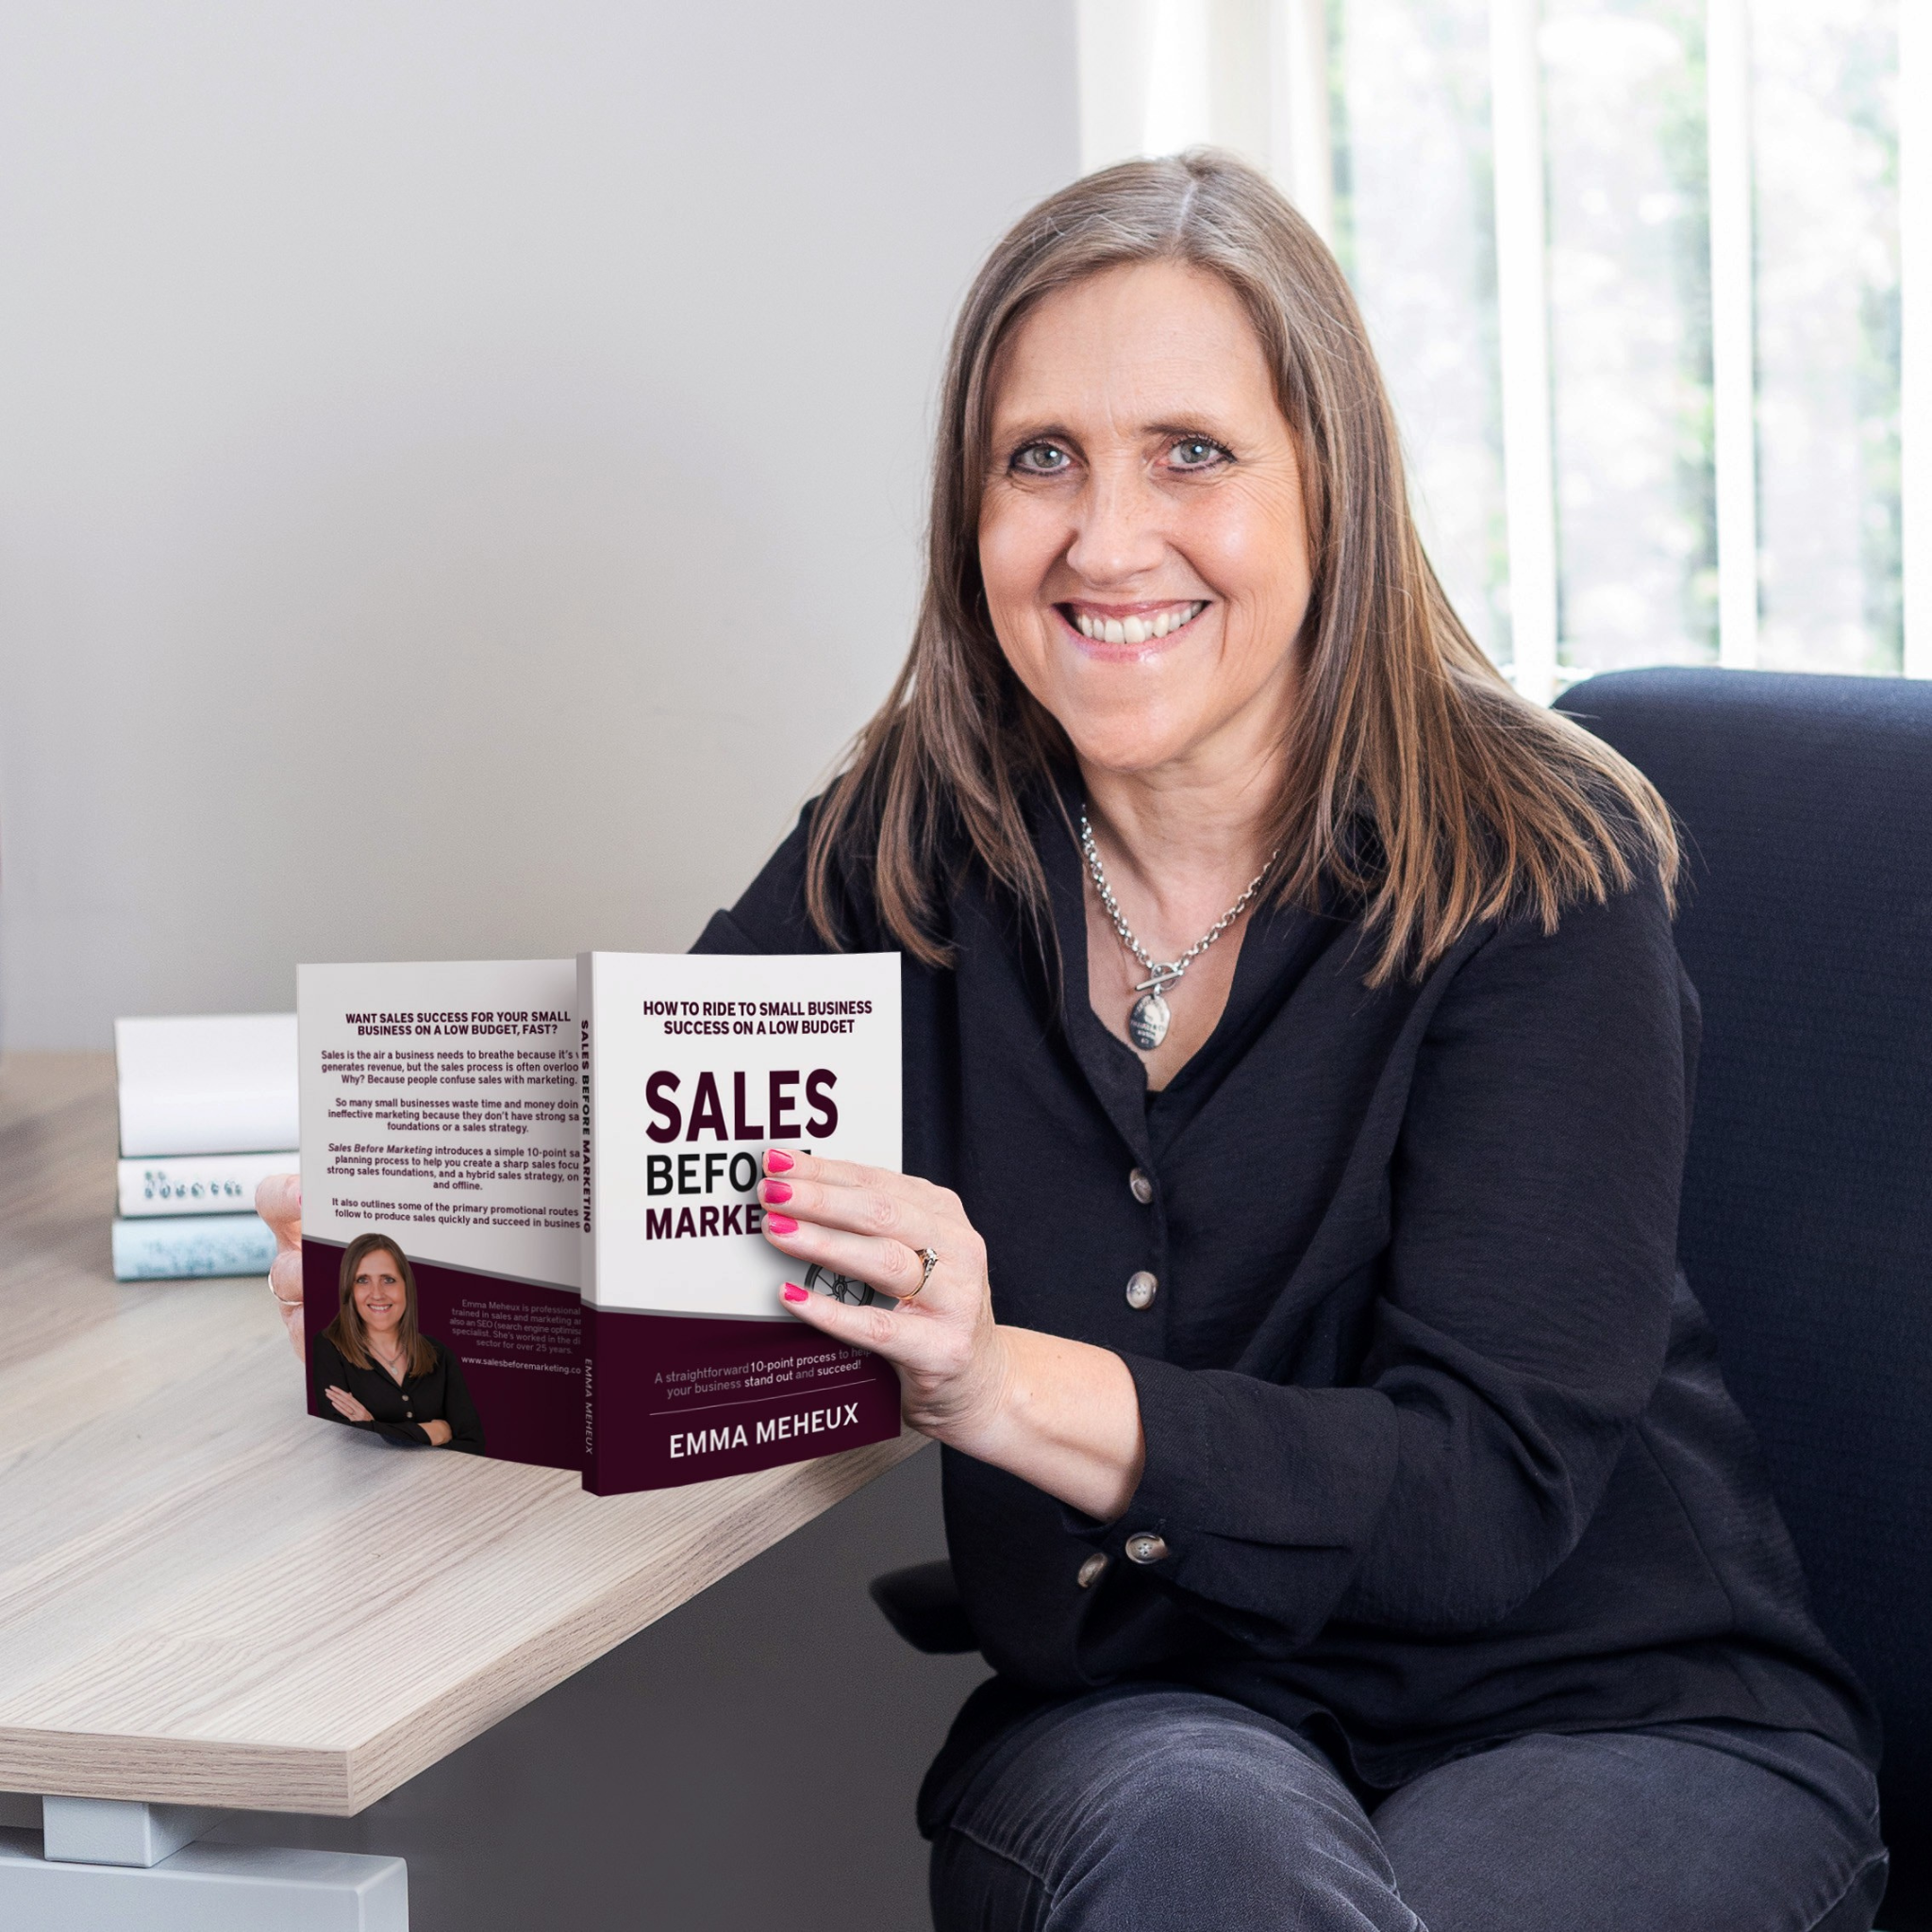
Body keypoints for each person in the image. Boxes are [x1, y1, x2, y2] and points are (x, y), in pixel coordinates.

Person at [262, 151, 1885, 1929]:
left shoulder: (1533, 867)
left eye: (1190, 452)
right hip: (1157, 1721)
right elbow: (673, 1207)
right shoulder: (908, 839)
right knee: (1200, 1849)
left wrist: (994, 1383)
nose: (1106, 541)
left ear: (1329, 487)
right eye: (1040, 458)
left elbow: (1481, 1497)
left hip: (1607, 1716)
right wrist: (418, 1269)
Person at [308, 1230, 485, 1456]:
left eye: (388, 1280)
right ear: (349, 1290)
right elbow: (346, 1442)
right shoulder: (329, 1347)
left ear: (406, 1287)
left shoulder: (439, 1354)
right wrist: (434, 1432)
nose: (377, 1294)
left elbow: (472, 1444)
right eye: (362, 1280)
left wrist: (372, 1427)